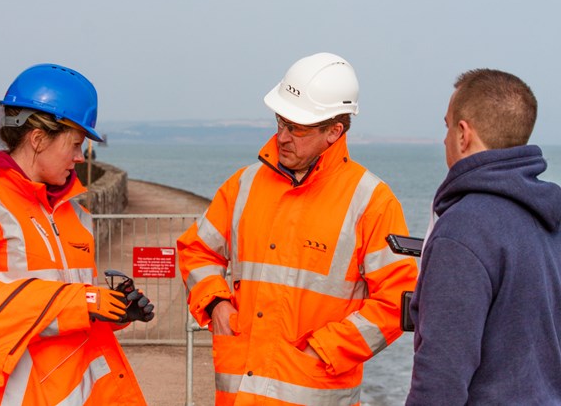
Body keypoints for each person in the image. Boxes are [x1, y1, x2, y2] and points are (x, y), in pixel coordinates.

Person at [177, 52, 418, 405]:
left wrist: (325, 350)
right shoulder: (244, 185)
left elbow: (399, 299)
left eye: (297, 128)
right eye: (280, 122)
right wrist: (215, 303)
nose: (283, 137)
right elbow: (197, 249)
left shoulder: (371, 201)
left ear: (334, 131)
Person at [0, 63, 154, 405]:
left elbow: (74, 310)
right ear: (38, 139)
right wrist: (82, 302)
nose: (80, 158)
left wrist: (113, 312)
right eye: (75, 145)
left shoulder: (77, 216)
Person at [406, 69, 561, 405]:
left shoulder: (464, 229)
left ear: (463, 134)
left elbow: (441, 376)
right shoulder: (552, 217)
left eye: (447, 126)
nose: (445, 139)